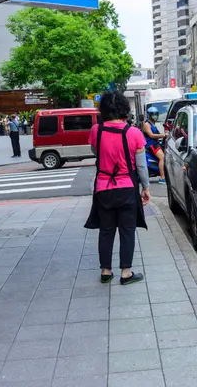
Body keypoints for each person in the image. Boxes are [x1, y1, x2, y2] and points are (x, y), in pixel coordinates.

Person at [84, 91, 150, 285]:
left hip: (103, 187)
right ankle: (126, 273)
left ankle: (105, 271)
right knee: (127, 230)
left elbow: (95, 151)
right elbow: (141, 166)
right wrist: (146, 187)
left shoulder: (96, 131)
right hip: (127, 188)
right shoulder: (134, 133)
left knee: (106, 230)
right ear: (124, 109)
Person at [142, 106, 169, 184]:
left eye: (156, 114)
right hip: (151, 144)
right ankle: (162, 178)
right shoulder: (147, 124)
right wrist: (163, 135)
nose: (155, 116)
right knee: (162, 158)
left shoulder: (153, 124)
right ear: (149, 115)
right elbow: (151, 135)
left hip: (156, 143)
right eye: (153, 114)